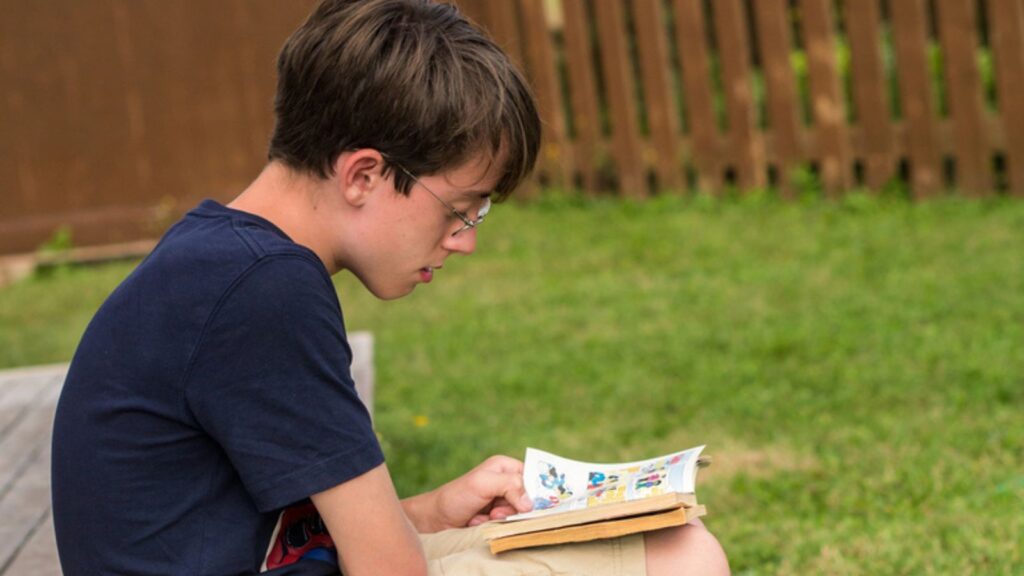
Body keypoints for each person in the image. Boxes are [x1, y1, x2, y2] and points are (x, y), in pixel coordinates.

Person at [51, 1, 729, 574]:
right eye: (460, 208)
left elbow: (266, 543)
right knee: (678, 555)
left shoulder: (221, 259)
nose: (465, 238)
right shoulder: (265, 291)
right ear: (363, 176)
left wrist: (435, 511)